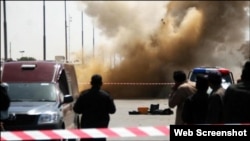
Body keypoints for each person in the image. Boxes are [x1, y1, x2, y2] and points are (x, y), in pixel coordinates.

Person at [73, 74, 116, 141]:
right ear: (101, 83)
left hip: (87, 126)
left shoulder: (84, 95)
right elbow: (112, 110)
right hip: (101, 126)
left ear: (91, 83)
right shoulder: (106, 96)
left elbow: (76, 109)